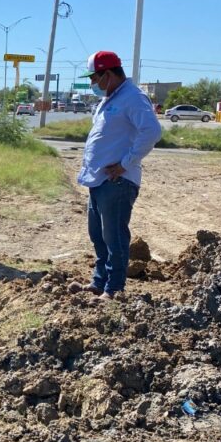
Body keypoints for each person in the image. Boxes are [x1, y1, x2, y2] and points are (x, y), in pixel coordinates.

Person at [75, 51, 161, 301]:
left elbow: (152, 131)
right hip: (99, 181)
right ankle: (99, 282)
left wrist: (126, 163)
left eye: (94, 78)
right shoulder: (112, 97)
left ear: (108, 75)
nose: (92, 84)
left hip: (117, 182)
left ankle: (114, 289)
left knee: (114, 237)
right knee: (98, 235)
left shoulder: (132, 98)